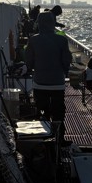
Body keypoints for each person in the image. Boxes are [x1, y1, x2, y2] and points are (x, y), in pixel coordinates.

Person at [25, 10, 72, 144]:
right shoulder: (62, 40)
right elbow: (66, 60)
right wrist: (65, 71)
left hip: (40, 82)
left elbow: (29, 61)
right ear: (53, 23)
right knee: (58, 111)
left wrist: (33, 67)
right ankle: (60, 138)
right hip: (57, 82)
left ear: (39, 23)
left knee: (42, 110)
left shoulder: (33, 40)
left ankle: (44, 140)